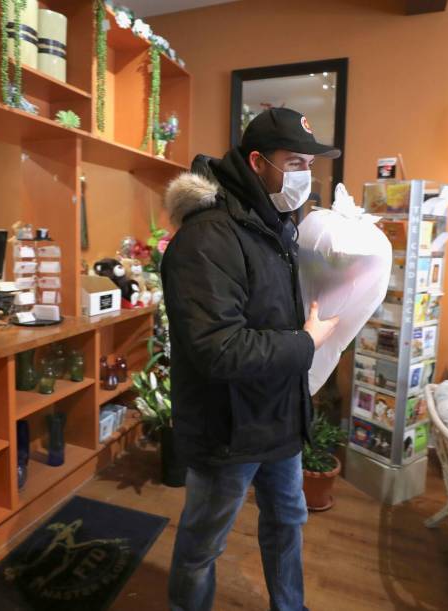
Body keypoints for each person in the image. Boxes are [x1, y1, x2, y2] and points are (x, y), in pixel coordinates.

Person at [161, 107, 341, 611]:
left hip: (279, 416)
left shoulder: (278, 225)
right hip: (228, 429)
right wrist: (307, 342)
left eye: (311, 163)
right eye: (297, 161)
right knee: (203, 545)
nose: (306, 174)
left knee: (287, 522)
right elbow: (217, 348)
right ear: (259, 162)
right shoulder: (207, 237)